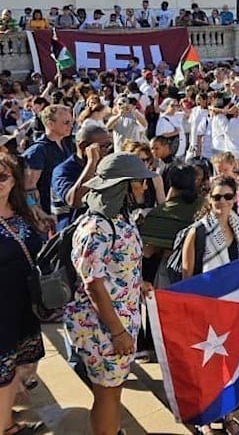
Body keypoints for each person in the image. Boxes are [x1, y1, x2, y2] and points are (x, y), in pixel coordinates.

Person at [64, 153, 157, 435]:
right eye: (139, 181)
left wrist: (135, 283)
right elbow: (93, 284)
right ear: (123, 186)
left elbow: (113, 268)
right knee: (107, 394)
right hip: (103, 328)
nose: (144, 186)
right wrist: (118, 332)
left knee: (113, 391)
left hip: (116, 322)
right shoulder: (97, 228)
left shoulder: (117, 219)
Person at [178, 175, 239, 435]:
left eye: (228, 196)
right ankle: (206, 420)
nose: (222, 201)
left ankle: (228, 416)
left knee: (229, 366)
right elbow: (187, 276)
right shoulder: (197, 231)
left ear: (234, 199)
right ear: (209, 199)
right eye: (217, 196)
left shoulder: (237, 226)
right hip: (203, 308)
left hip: (231, 307)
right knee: (206, 367)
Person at [0, 152, 46, 435]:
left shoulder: (22, 213)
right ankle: (5, 427)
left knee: (16, 365)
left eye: (3, 176)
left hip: (22, 305)